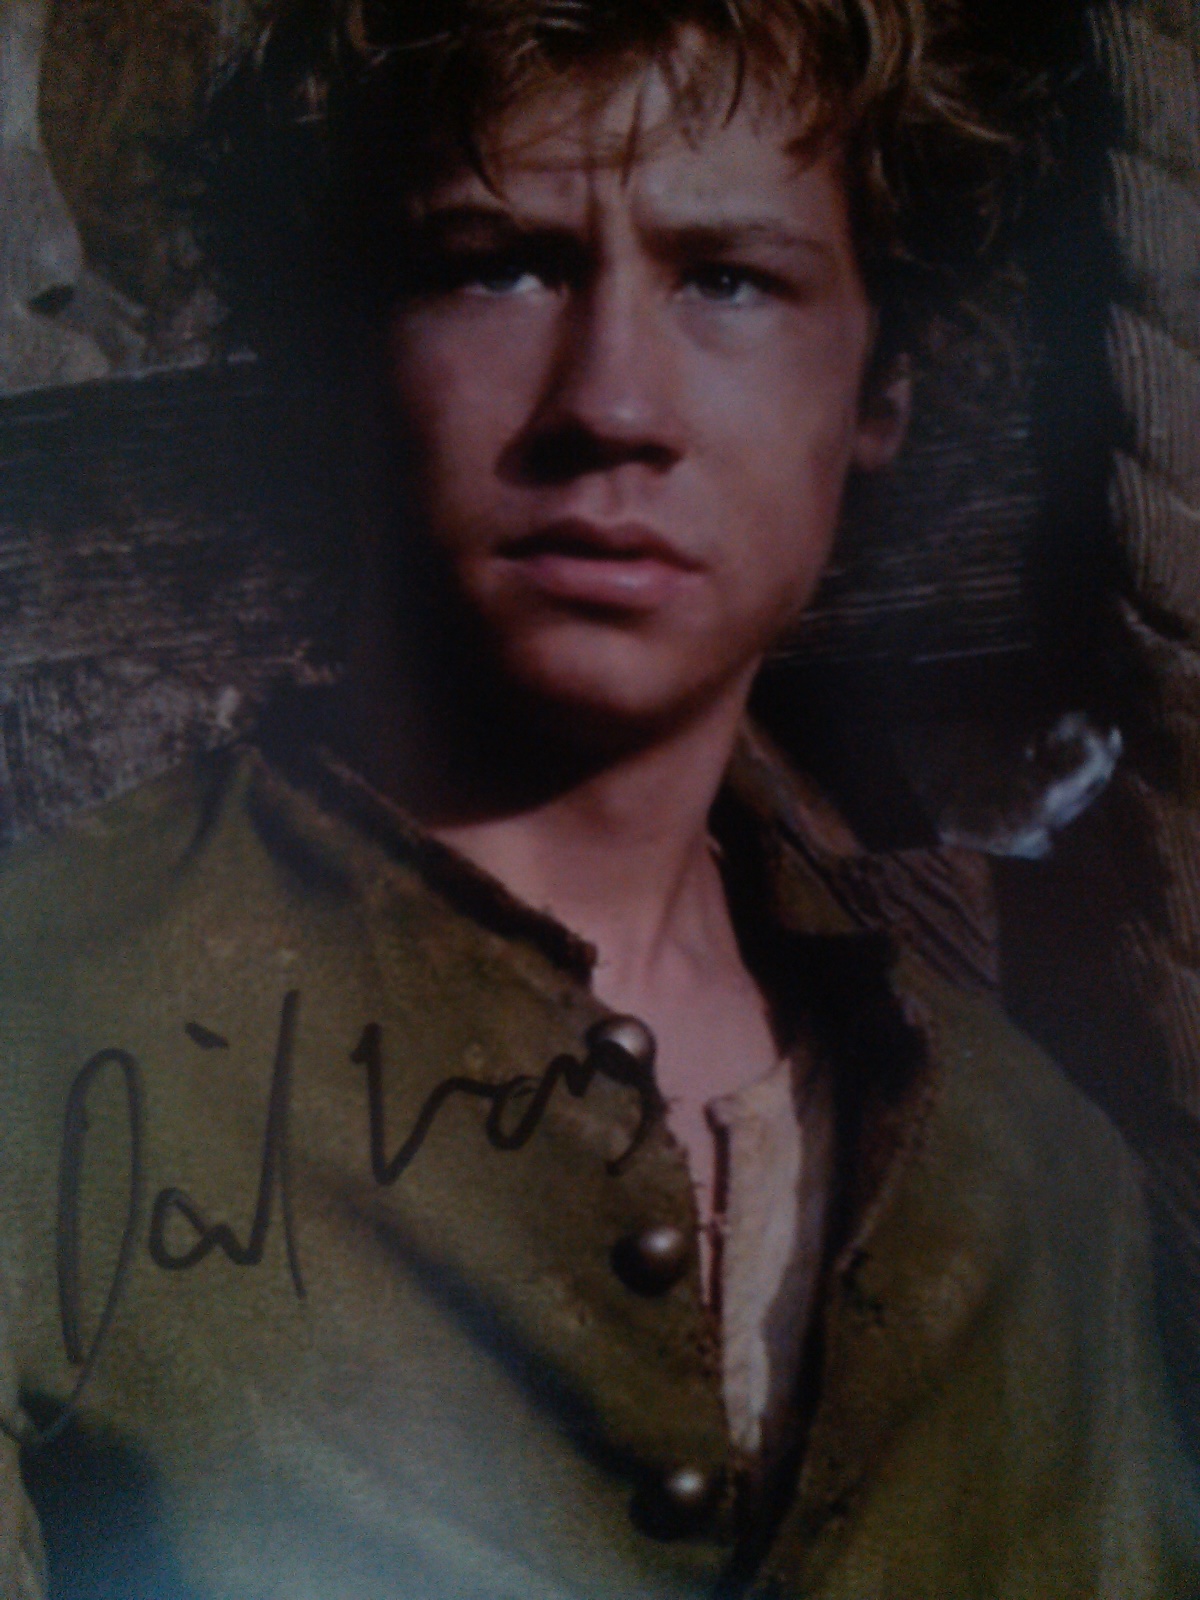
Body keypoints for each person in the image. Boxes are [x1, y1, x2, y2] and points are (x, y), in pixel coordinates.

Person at [0, 0, 1196, 1594]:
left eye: (730, 280)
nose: (611, 403)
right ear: (340, 354)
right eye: (496, 265)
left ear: (880, 386)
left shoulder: (1052, 1192)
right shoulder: (37, 1028)